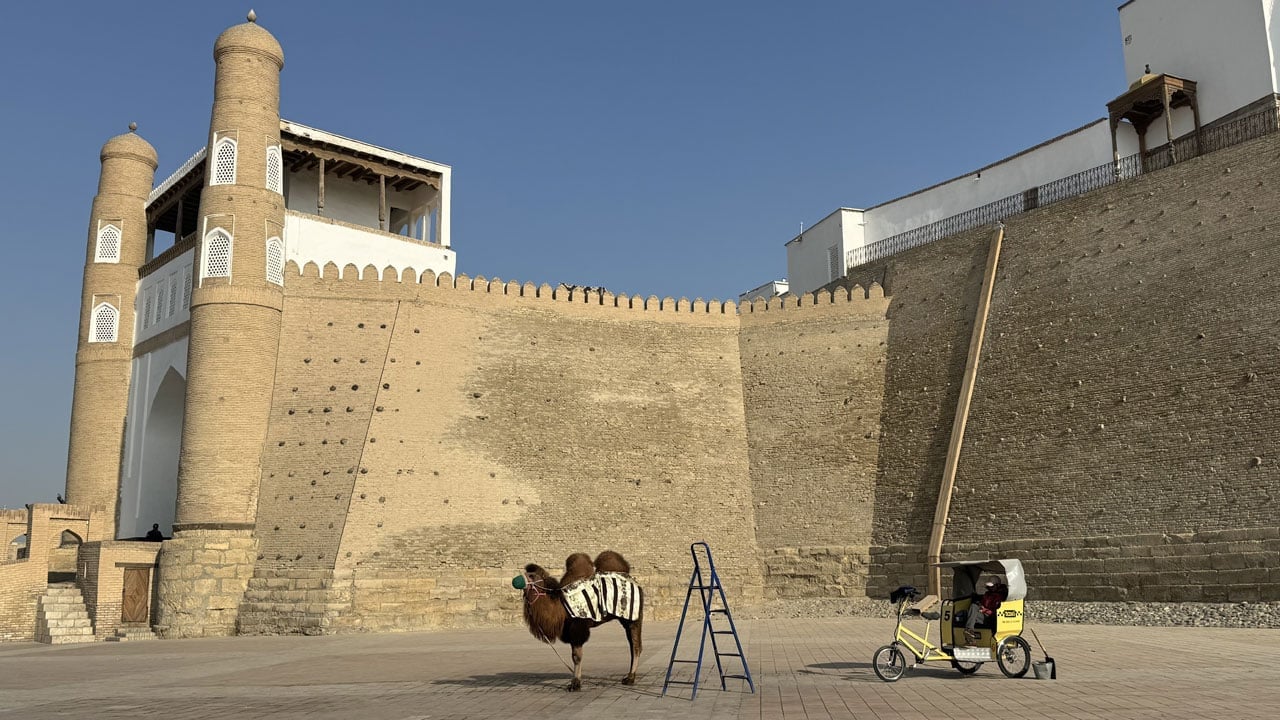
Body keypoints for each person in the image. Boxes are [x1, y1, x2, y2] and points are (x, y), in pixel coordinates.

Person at [963, 579, 1007, 644]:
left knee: (972, 612)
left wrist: (984, 610)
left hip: (990, 618)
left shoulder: (999, 596)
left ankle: (969, 633)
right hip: (983, 614)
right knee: (972, 607)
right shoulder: (987, 594)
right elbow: (982, 603)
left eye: (992, 586)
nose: (990, 588)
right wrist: (980, 606)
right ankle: (970, 632)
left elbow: (995, 612)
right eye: (989, 586)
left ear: (997, 585)